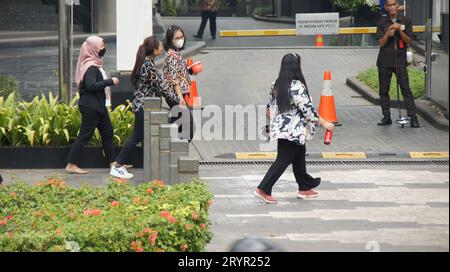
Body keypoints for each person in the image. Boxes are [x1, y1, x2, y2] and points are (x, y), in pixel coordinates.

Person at [254, 53, 335, 204]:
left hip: (282, 129)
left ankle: (304, 187)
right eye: (300, 64)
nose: (302, 67)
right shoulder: (296, 86)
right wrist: (324, 123)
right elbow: (307, 109)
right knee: (283, 159)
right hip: (294, 130)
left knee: (299, 155)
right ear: (296, 66)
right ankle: (263, 188)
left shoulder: (276, 84)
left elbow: (269, 108)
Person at [110, 36, 179, 179]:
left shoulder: (147, 63)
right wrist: (178, 100)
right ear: (155, 50)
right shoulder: (149, 66)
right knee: (136, 136)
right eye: (160, 46)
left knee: (140, 136)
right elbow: (162, 87)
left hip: (142, 105)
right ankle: (117, 166)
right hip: (143, 106)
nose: (162, 47)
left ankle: (124, 164)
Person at [66, 36, 120, 174]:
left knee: (107, 132)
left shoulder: (95, 64)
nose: (104, 48)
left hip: (98, 105)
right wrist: (110, 81)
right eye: (101, 45)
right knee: (85, 135)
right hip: (91, 106)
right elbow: (91, 86)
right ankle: (71, 164)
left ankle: (113, 163)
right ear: (93, 49)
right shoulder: (90, 66)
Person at [376, 0, 419, 128]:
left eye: (394, 4)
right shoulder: (382, 22)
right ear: (386, 7)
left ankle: (413, 116)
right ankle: (386, 116)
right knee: (384, 90)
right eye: (389, 5)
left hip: (400, 60)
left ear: (398, 5)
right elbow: (381, 43)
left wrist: (399, 30)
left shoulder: (406, 20)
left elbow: (409, 40)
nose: (392, 7)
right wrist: (390, 29)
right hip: (384, 60)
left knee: (405, 88)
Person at [163, 25, 194, 141]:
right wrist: (180, 97)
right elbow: (174, 78)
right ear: (170, 40)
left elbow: (177, 72)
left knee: (182, 126)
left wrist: (188, 70)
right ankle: (178, 152)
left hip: (177, 94)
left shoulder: (175, 53)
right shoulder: (172, 55)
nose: (180, 40)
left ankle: (178, 153)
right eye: (177, 38)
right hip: (175, 95)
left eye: (181, 37)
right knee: (189, 129)